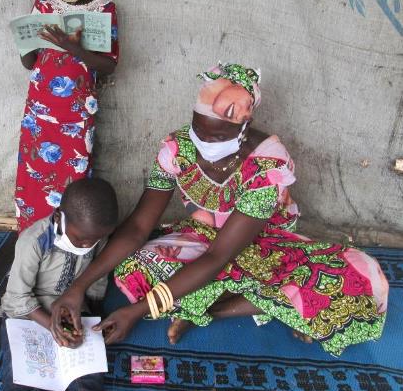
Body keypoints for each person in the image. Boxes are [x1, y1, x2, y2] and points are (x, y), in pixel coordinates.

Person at [50, 63, 389, 357]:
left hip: (267, 246)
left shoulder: (266, 166)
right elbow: (140, 225)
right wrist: (78, 287)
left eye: (214, 136)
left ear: (242, 127)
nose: (201, 143)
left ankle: (209, 310)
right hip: (207, 237)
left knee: (357, 279)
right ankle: (266, 304)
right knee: (133, 266)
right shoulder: (178, 147)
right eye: (198, 128)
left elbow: (218, 256)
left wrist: (138, 311)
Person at [15, 0, 119, 232]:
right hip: (39, 111)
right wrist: (27, 42)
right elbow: (29, 62)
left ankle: (71, 233)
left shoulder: (104, 10)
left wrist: (73, 47)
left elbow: (109, 66)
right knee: (35, 172)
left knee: (74, 173)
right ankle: (32, 234)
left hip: (76, 113)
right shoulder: (44, 5)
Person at [0, 178, 118, 391]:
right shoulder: (33, 241)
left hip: (73, 310)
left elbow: (96, 280)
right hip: (28, 313)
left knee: (87, 377)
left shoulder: (97, 238)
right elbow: (14, 298)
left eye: (94, 241)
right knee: (20, 375)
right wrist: (50, 324)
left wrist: (90, 322)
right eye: (81, 239)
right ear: (59, 216)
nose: (86, 246)